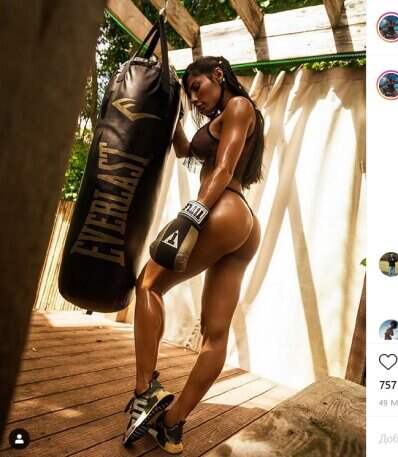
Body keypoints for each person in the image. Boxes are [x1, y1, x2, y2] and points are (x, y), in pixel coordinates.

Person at [122, 56, 265, 454]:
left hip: (222, 208)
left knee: (148, 285)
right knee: (214, 334)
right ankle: (172, 423)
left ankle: (145, 391)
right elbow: (186, 148)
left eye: (197, 87)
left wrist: (194, 212)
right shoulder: (221, 118)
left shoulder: (239, 106)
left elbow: (225, 167)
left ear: (219, 75)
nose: (195, 97)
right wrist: (170, 108)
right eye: (189, 93)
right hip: (243, 224)